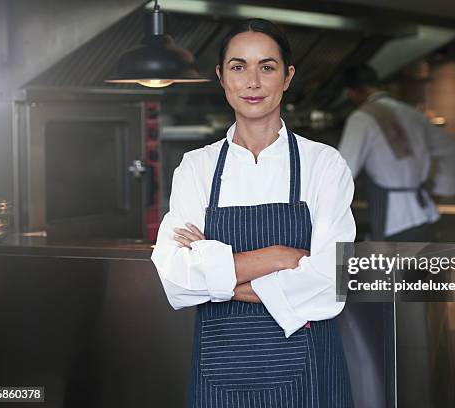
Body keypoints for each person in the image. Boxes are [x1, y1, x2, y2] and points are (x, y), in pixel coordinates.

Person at [151, 18, 355, 407]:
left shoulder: (323, 164)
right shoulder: (197, 167)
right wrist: (278, 257)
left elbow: (331, 280)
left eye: (267, 67)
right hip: (220, 370)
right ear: (221, 76)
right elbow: (176, 279)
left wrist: (215, 274)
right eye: (238, 66)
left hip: (308, 372)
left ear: (287, 77)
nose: (252, 82)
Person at [338, 65, 455, 242]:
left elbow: (343, 171)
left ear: (353, 92)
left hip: (393, 221)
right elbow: (452, 148)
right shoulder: (411, 113)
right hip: (424, 213)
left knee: (393, 269)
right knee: (421, 269)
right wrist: (440, 190)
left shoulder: (362, 118)